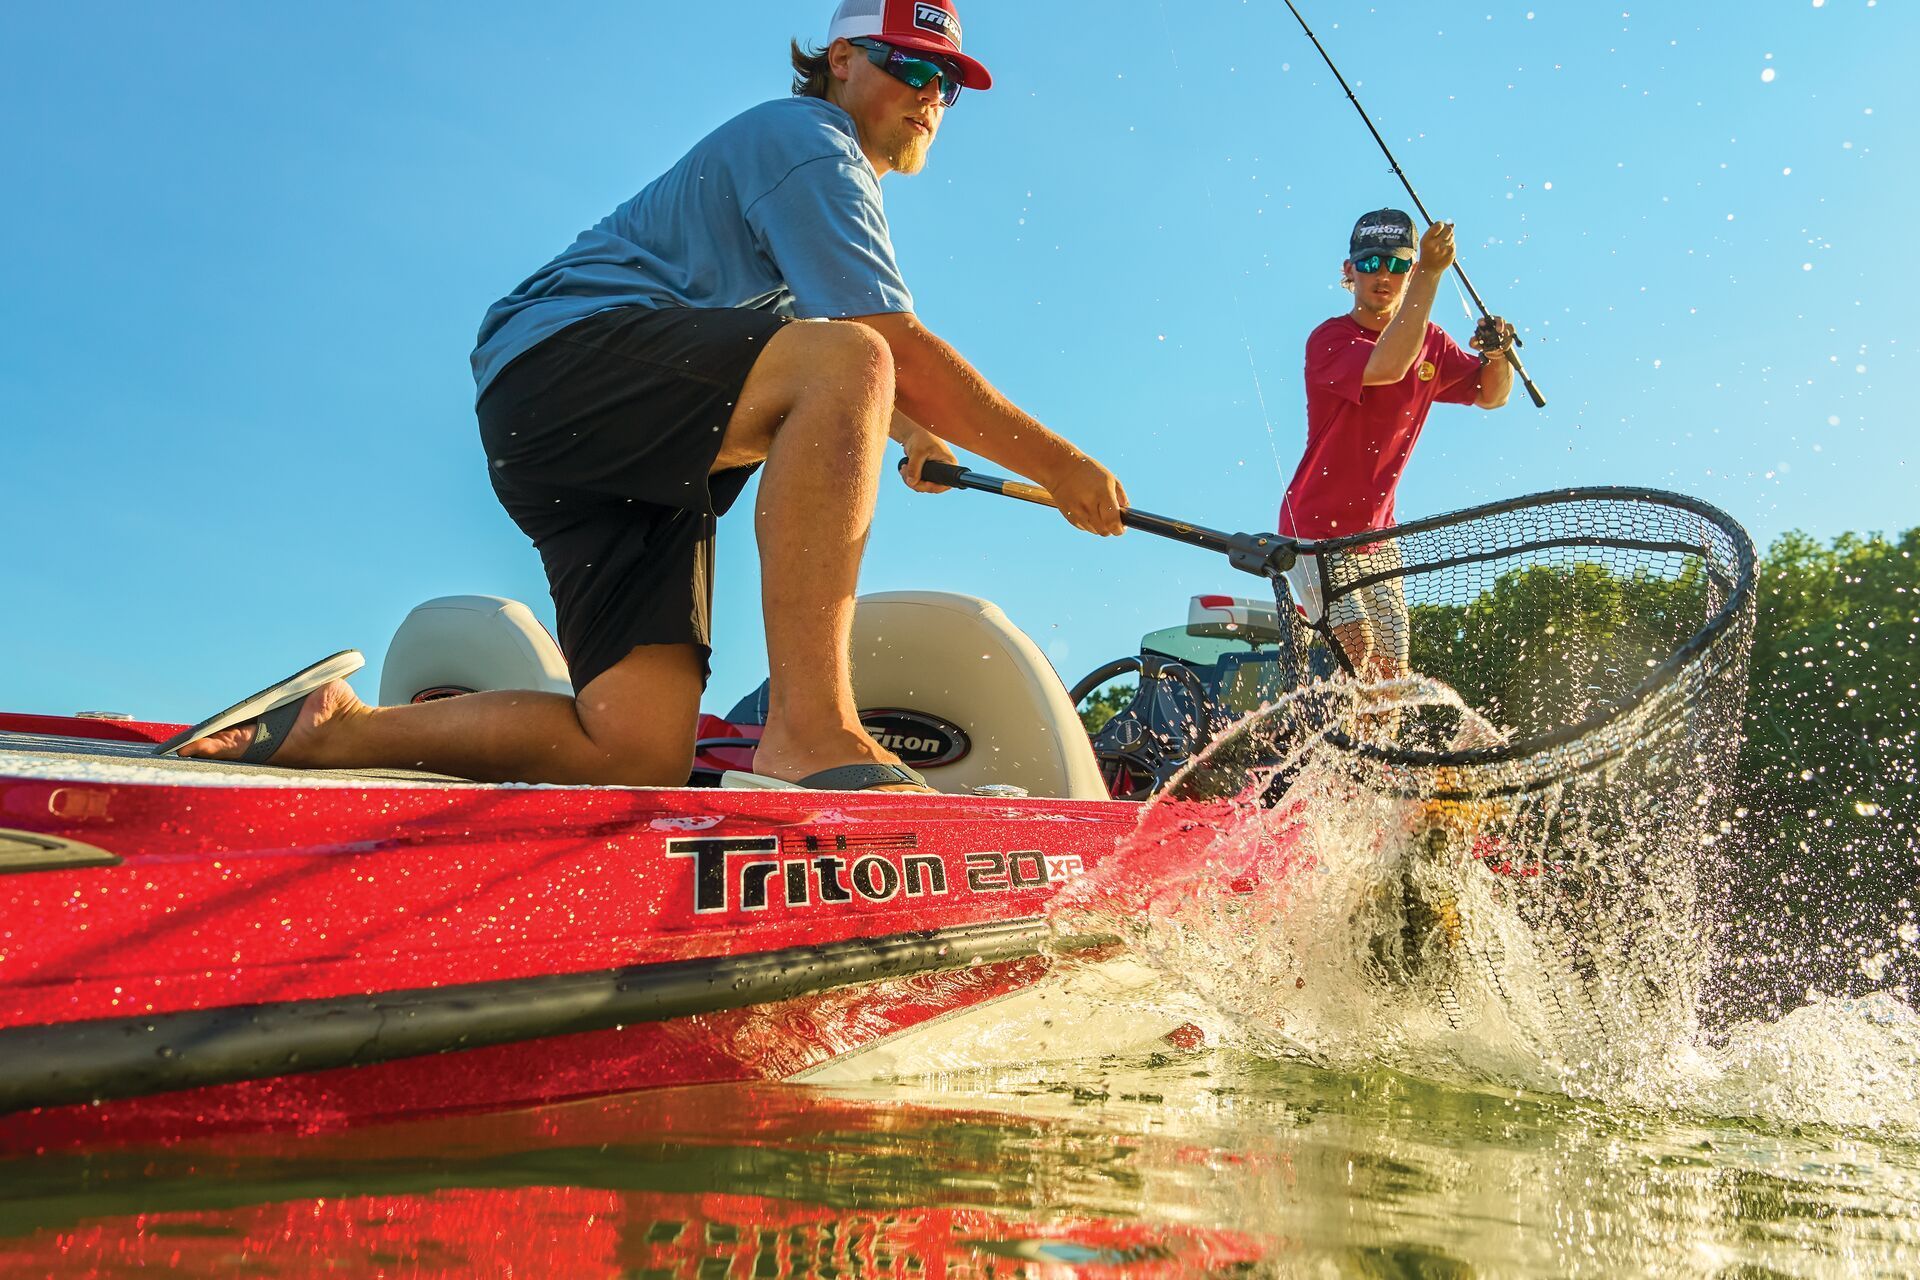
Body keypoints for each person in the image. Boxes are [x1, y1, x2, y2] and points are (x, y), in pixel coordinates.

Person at [172, 0, 1128, 792]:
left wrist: (913, 433)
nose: (932, 98)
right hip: (559, 368)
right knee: (852, 362)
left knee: (632, 750)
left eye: (949, 84)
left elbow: (844, 363)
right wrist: (1062, 466)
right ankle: (811, 732)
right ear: (841, 59)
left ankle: (332, 732)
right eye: (910, 69)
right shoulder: (809, 140)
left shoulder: (812, 215)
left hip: (620, 452)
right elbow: (879, 349)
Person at [1278, 209, 1514, 680]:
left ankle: (1379, 755)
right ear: (1348, 271)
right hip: (1314, 530)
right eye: (1368, 264)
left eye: (1397, 265)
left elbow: (1492, 394)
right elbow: (1390, 364)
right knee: (1358, 645)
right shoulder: (1329, 338)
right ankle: (1342, 742)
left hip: (1378, 536)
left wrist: (1497, 353)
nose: (1382, 275)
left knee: (1392, 669)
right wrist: (1428, 271)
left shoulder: (1432, 341)